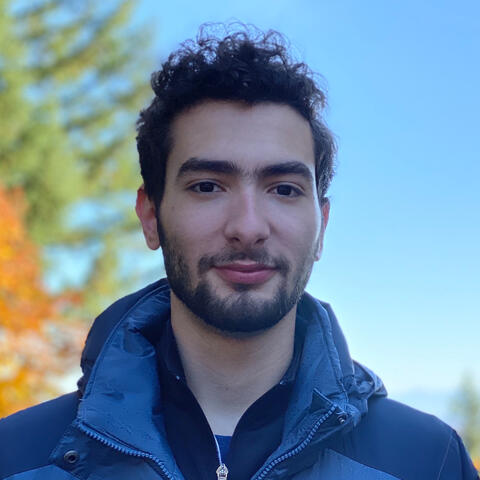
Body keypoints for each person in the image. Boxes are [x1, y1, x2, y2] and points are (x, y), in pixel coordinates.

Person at [0, 25, 478, 480]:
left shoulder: (427, 461)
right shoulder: (16, 458)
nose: (248, 227)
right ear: (151, 216)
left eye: (284, 189)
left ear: (322, 227)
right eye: (207, 186)